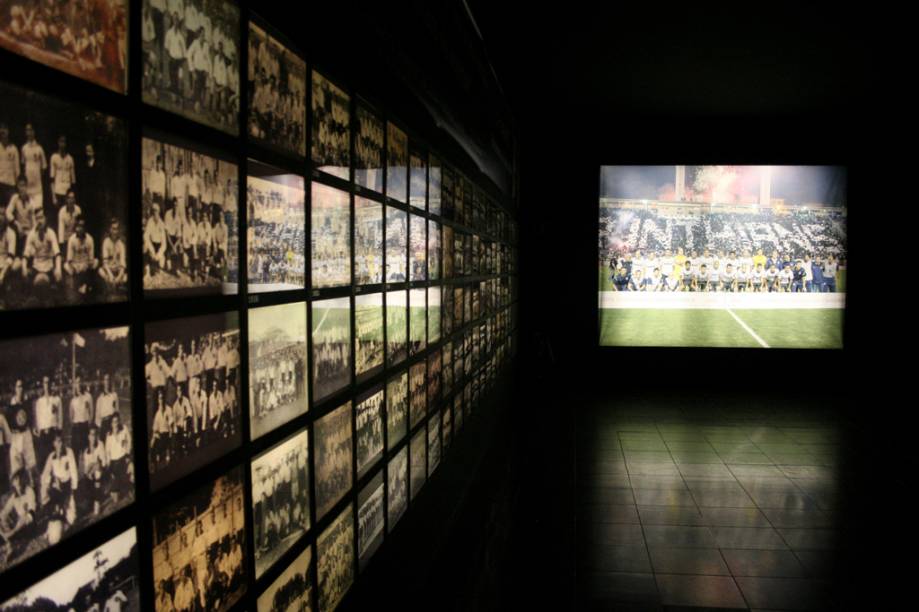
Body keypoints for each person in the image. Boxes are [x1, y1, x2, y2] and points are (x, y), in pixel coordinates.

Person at [64, 217, 99, 299]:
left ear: (85, 228)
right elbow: (69, 259)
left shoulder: (90, 239)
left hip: (85, 264)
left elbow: (91, 258)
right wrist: (75, 267)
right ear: (75, 227)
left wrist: (85, 265)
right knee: (65, 265)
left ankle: (87, 284)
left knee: (96, 262)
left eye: (82, 226)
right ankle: (80, 285)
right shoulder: (71, 239)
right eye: (78, 226)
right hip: (75, 264)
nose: (80, 229)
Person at [105, 412, 132, 504]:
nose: (115, 424)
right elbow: (107, 451)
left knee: (131, 473)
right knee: (116, 499)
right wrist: (109, 466)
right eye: (113, 422)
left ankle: (125, 483)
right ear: (111, 424)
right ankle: (115, 486)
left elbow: (129, 440)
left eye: (117, 421)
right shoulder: (108, 435)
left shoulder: (124, 429)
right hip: (114, 463)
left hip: (123, 459)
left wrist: (128, 454)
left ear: (119, 421)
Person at [80, 425, 107, 516]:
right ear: (88, 436)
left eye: (95, 434)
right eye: (91, 435)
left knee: (98, 474)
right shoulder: (86, 450)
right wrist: (89, 472)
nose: (93, 437)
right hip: (90, 474)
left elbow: (103, 462)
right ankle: (90, 499)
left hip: (100, 472)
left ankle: (97, 500)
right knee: (88, 481)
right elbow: (85, 469)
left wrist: (94, 466)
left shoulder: (100, 444)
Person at [100, 218, 127, 291]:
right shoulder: (106, 242)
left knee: (125, 278)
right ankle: (112, 284)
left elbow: (122, 264)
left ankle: (117, 284)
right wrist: (110, 275)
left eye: (117, 229)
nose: (115, 231)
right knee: (100, 271)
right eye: (113, 229)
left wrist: (119, 277)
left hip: (117, 270)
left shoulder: (121, 244)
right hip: (109, 270)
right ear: (110, 229)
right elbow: (105, 263)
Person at [49, 135, 76, 210]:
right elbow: (51, 179)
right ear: (58, 143)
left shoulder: (70, 159)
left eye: (64, 142)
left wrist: (72, 197)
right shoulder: (54, 157)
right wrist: (53, 197)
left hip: (67, 193)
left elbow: (73, 181)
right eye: (61, 141)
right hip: (57, 192)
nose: (62, 144)